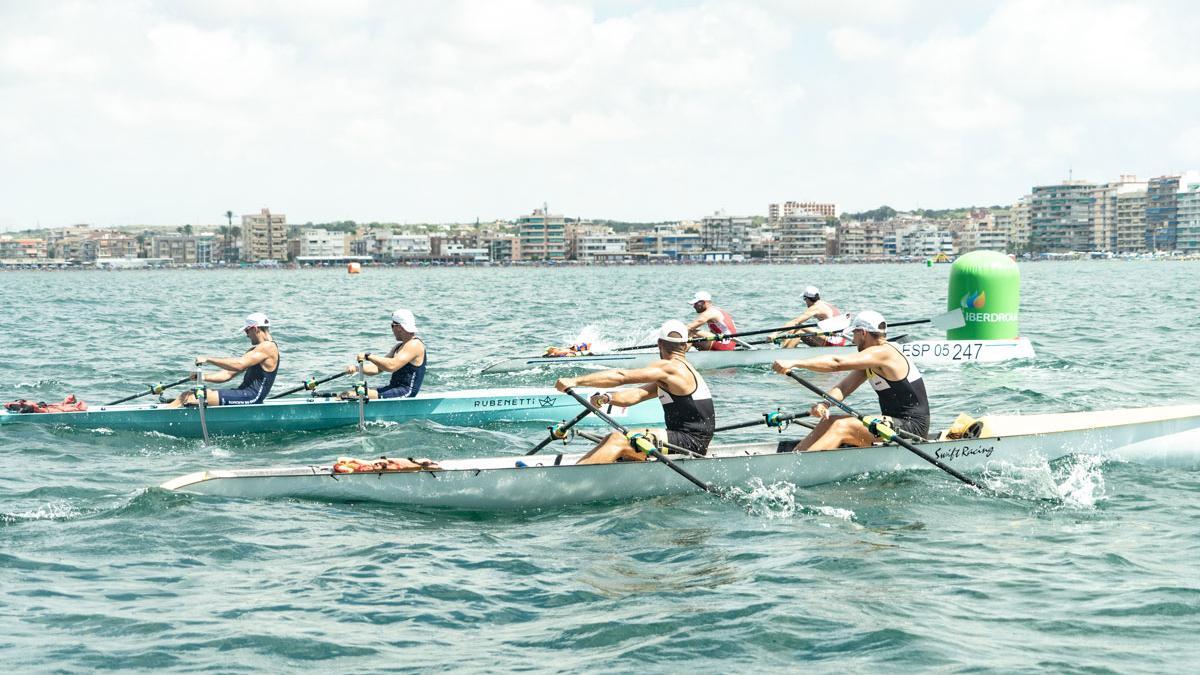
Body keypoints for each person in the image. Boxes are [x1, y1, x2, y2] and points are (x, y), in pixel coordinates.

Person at [554, 319, 715, 464]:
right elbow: (637, 394)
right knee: (614, 440)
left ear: (660, 343)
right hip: (690, 439)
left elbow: (622, 376)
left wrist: (575, 381)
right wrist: (606, 398)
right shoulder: (681, 371)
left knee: (617, 439)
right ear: (685, 345)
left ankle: (569, 483)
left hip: (690, 442)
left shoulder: (670, 368)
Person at [770, 310, 929, 451]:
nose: (853, 340)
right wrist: (825, 404)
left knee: (841, 426)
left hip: (911, 427)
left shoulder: (884, 353)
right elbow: (844, 387)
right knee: (829, 421)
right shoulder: (871, 360)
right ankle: (795, 456)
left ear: (863, 333)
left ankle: (798, 469)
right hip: (893, 424)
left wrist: (795, 362)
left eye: (854, 334)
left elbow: (836, 363)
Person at [168, 312, 280, 407]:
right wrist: (203, 377)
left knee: (189, 397)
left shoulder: (268, 347)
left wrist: (208, 359)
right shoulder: (255, 351)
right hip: (243, 393)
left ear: (255, 328)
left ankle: (161, 418)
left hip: (251, 396)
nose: (247, 335)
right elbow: (227, 375)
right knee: (189, 395)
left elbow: (239, 364)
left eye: (247, 331)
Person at [340, 309, 426, 399]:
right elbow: (377, 368)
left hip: (405, 392)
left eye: (392, 326)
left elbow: (392, 366)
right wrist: (357, 368)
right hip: (393, 388)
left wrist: (368, 356)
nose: (392, 330)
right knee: (353, 392)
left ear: (399, 327)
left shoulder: (414, 345)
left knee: (351, 395)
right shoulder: (398, 347)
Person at [771, 286, 847, 348]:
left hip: (834, 341)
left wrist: (775, 333)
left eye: (804, 299)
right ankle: (786, 349)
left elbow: (795, 322)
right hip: (842, 340)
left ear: (807, 298)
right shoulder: (826, 304)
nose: (805, 302)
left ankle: (784, 356)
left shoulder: (816, 307)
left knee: (798, 328)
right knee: (797, 331)